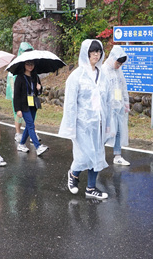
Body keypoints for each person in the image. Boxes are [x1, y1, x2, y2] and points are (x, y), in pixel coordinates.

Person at [60, 39, 112, 200]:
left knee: (97, 155)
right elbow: (70, 103)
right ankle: (74, 174)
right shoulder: (77, 76)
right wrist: (70, 125)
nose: (96, 55)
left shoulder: (103, 75)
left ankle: (91, 187)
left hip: (99, 122)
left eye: (99, 52)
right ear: (86, 53)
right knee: (84, 156)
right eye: (93, 52)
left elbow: (107, 101)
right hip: (82, 123)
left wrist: (108, 123)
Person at [102, 45, 130, 166]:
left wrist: (125, 102)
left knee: (118, 130)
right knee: (105, 131)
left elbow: (123, 87)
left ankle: (117, 155)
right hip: (107, 106)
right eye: (117, 63)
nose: (119, 66)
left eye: (120, 64)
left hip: (118, 106)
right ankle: (98, 153)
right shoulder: (103, 70)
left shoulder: (119, 71)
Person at [14, 59, 48, 155]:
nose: (30, 66)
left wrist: (39, 88)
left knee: (29, 125)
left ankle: (21, 144)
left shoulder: (35, 77)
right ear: (24, 65)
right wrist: (18, 109)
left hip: (33, 104)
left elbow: (38, 92)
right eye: (28, 64)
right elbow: (16, 95)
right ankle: (38, 147)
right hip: (23, 105)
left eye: (32, 64)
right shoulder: (20, 78)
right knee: (31, 125)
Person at [7, 42, 35, 143]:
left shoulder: (30, 64)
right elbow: (11, 79)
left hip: (29, 95)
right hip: (18, 94)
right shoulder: (17, 65)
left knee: (30, 114)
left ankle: (31, 133)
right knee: (18, 113)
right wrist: (15, 96)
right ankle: (18, 132)